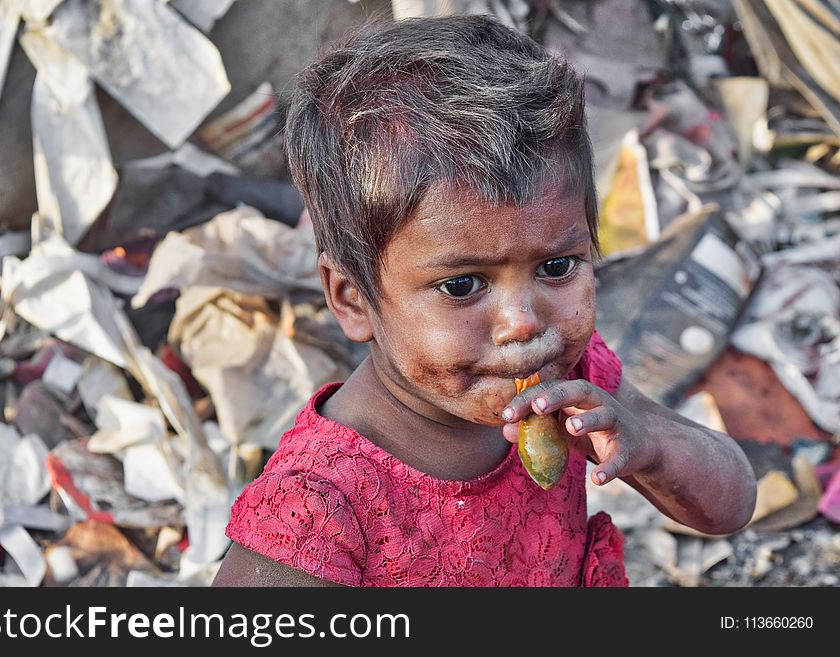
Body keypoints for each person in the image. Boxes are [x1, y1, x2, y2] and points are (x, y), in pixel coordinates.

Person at [212, 14, 756, 587]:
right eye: (463, 285)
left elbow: (730, 505)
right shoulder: (319, 510)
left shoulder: (573, 390)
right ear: (352, 299)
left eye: (556, 267)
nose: (523, 323)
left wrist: (647, 445)